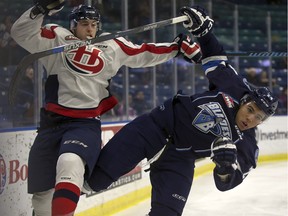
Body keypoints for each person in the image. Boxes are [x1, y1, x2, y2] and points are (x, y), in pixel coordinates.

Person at [10, 0, 202, 215]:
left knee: (70, 162)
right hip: (50, 124)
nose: (90, 28)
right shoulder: (57, 38)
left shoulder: (112, 45)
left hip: (84, 124)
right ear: (73, 25)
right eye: (84, 23)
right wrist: (41, 9)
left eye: (93, 24)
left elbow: (143, 53)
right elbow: (20, 33)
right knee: (43, 198)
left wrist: (176, 47)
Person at [86, 6, 279, 216]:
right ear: (245, 101)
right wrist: (204, 33)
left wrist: (225, 168)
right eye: (250, 110)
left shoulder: (247, 144)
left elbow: (227, 183)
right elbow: (215, 58)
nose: (250, 118)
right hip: (154, 128)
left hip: (180, 158)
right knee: (94, 182)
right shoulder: (234, 86)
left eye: (258, 118)